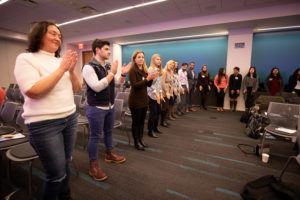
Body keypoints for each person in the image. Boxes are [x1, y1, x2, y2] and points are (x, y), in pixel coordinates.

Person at [14, 21, 82, 200]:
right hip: (44, 124)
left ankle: (65, 196)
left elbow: (77, 88)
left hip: (70, 118)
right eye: (53, 33)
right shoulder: (26, 58)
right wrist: (62, 70)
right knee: (56, 174)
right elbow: (34, 91)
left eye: (59, 35)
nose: (57, 38)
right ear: (39, 35)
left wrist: (72, 71)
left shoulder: (61, 61)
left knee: (66, 163)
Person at [82, 39, 131, 181]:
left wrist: (122, 74)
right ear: (97, 50)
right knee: (95, 136)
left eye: (109, 49)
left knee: (109, 132)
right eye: (106, 49)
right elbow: (96, 86)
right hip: (96, 107)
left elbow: (116, 83)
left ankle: (110, 153)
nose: (109, 52)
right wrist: (112, 73)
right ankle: (93, 164)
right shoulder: (88, 67)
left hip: (109, 106)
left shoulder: (107, 66)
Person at [128, 50, 158, 151]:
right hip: (135, 100)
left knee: (142, 122)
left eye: (142, 57)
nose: (141, 59)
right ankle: (136, 142)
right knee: (136, 123)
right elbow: (135, 86)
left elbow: (148, 85)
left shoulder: (145, 70)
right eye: (139, 57)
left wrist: (151, 78)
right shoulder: (132, 70)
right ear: (134, 59)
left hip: (144, 99)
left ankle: (141, 139)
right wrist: (146, 79)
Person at [147, 54, 163, 138]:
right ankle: (150, 131)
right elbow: (150, 85)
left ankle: (155, 127)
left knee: (158, 112)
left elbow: (158, 84)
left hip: (158, 95)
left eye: (160, 59)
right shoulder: (151, 69)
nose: (159, 61)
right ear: (153, 60)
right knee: (152, 114)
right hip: (152, 95)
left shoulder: (158, 70)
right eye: (157, 59)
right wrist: (156, 93)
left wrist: (160, 93)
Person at [161, 60, 175, 127]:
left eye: (173, 65)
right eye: (170, 65)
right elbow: (162, 83)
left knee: (167, 106)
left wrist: (171, 92)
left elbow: (172, 83)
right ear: (167, 64)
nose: (171, 66)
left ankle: (164, 120)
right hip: (164, 91)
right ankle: (162, 121)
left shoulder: (171, 72)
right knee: (164, 106)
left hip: (169, 91)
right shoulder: (164, 71)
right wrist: (167, 92)